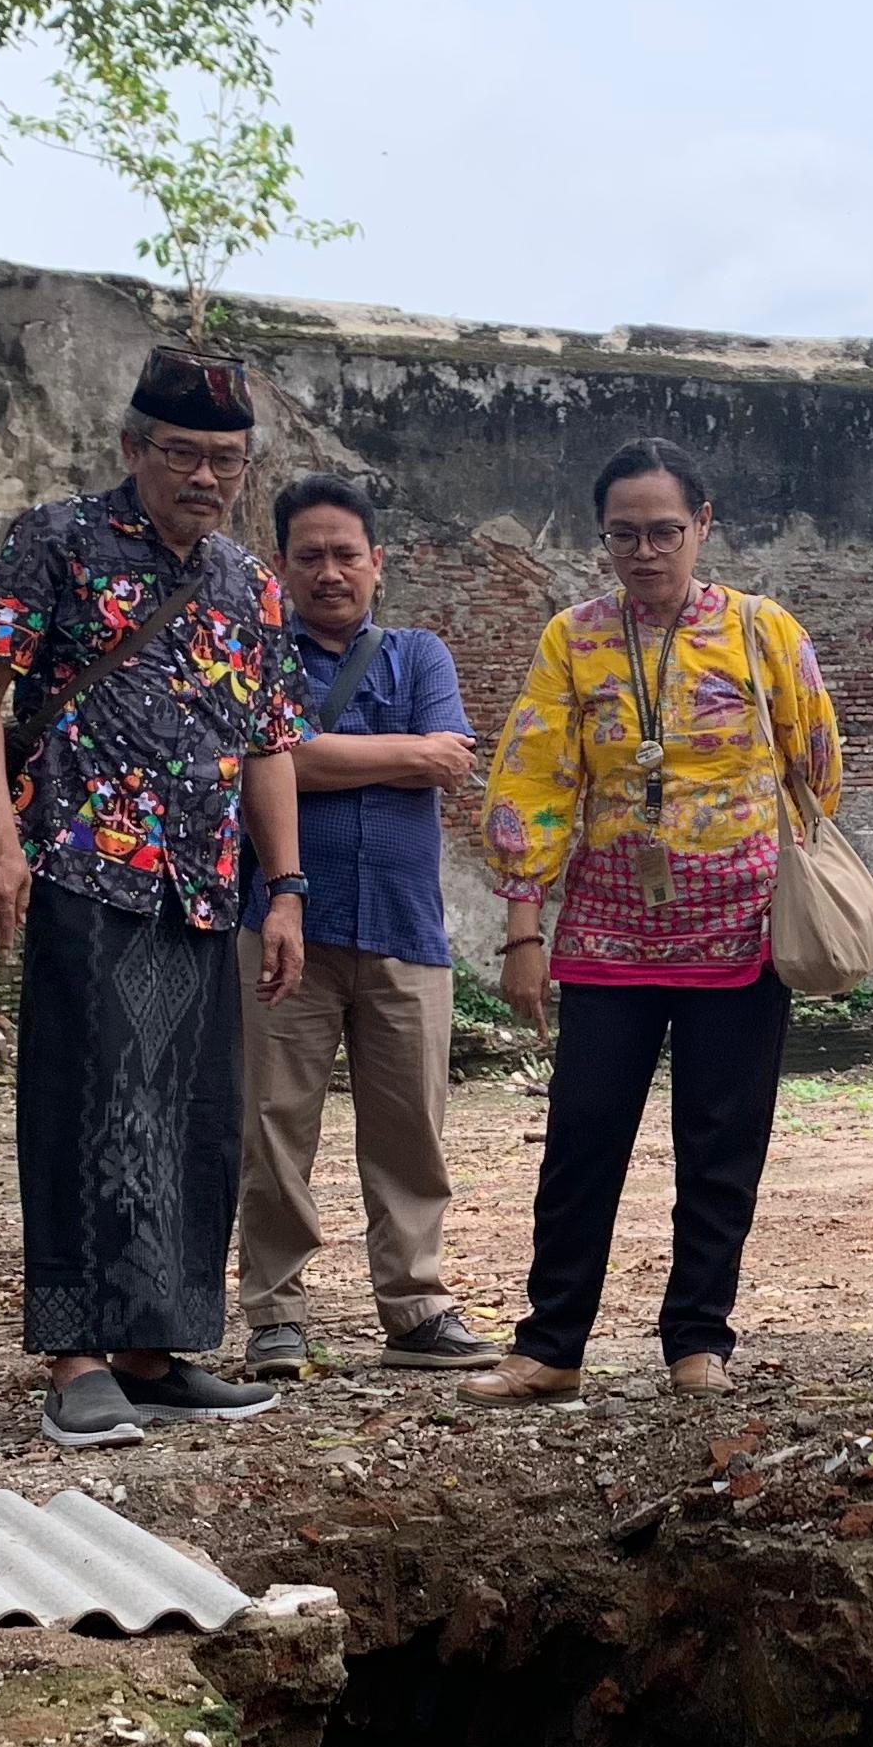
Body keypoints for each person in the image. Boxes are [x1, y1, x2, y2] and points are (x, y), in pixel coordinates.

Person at [0, 348, 309, 1449]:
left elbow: (267, 743)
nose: (207, 478)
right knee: (82, 1105)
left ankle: (156, 1352)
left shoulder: (250, 583)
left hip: (201, 886)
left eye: (228, 461)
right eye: (185, 455)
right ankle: (75, 1359)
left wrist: (285, 887)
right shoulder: (58, 539)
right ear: (133, 450)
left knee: (195, 1118)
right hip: (78, 865)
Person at [466, 438, 843, 1404]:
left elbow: (820, 763)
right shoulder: (574, 640)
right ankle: (551, 1346)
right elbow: (536, 780)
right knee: (583, 1136)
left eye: (664, 531)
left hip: (744, 934)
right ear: (603, 539)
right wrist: (523, 924)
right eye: (622, 534)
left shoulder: (764, 633)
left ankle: (697, 1342)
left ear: (703, 525)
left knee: (721, 1144)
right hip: (606, 938)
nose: (644, 551)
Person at [235, 471, 494, 1376]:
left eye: (347, 555)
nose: (330, 572)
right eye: (310, 556)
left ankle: (417, 1306)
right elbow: (262, 761)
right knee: (273, 1127)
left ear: (377, 563)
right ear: (281, 567)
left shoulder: (420, 655)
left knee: (410, 1130)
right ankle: (275, 1316)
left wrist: (314, 757)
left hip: (406, 927)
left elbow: (448, 764)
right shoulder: (256, 656)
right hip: (278, 923)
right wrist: (398, 753)